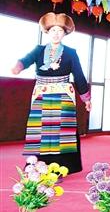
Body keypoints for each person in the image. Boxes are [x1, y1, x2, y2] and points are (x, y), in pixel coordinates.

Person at [12, 13, 90, 174]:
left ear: (65, 33)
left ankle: (59, 168)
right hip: (42, 94)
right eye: (53, 30)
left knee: (61, 131)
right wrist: (18, 66)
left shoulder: (71, 53)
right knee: (40, 130)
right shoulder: (39, 50)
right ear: (47, 32)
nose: (56, 33)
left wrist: (86, 99)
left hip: (63, 95)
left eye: (60, 30)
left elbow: (79, 76)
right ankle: (36, 165)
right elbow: (26, 60)